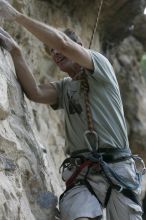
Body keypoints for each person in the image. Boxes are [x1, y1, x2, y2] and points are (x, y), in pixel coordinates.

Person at [0, 1, 144, 220]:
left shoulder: (101, 66)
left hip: (117, 170)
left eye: (58, 49)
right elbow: (35, 93)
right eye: (51, 52)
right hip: (83, 174)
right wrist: (16, 52)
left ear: (80, 47)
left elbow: (63, 43)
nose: (55, 53)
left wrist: (17, 17)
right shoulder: (65, 87)